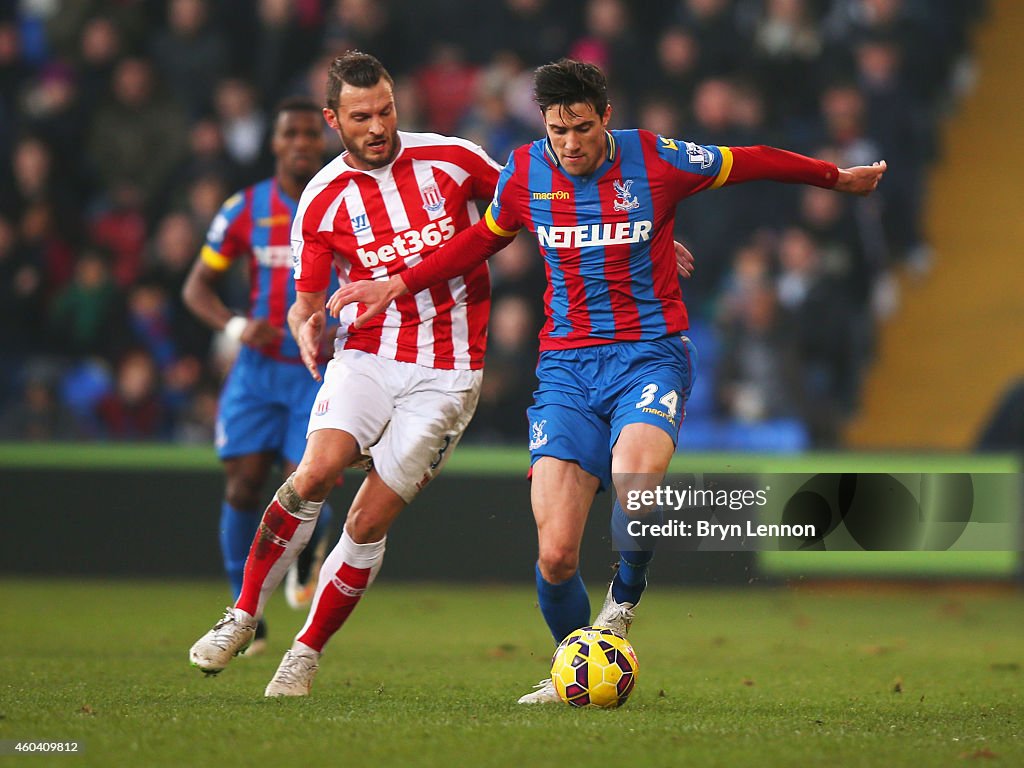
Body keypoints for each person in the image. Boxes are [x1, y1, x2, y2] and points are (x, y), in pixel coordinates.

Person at [331, 58, 886, 704]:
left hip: (649, 355)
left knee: (637, 483)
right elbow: (478, 242)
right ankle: (574, 666)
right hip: (566, 370)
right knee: (556, 556)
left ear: (607, 119)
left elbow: (750, 158)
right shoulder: (524, 172)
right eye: (557, 129)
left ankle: (622, 601)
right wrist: (398, 282)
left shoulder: (656, 159)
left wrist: (831, 179)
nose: (569, 143)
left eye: (583, 128)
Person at [187, 51, 504, 697]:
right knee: (312, 474)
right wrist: (306, 323)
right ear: (335, 118)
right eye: (362, 116)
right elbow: (306, 298)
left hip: (449, 372)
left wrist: (639, 235)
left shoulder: (453, 158)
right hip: (367, 354)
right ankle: (243, 613)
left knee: (365, 523)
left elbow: (540, 200)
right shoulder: (322, 199)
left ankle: (305, 652)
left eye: (386, 109)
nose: (379, 125)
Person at [182, 97, 336, 654]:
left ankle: (308, 555)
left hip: (317, 369)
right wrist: (237, 325)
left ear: (321, 142)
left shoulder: (341, 202)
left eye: (309, 134)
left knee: (307, 484)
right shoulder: (245, 208)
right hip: (256, 370)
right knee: (244, 483)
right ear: (274, 143)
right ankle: (244, 617)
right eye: (289, 132)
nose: (300, 142)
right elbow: (196, 287)